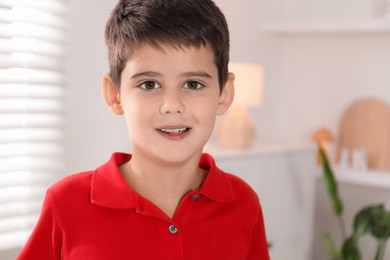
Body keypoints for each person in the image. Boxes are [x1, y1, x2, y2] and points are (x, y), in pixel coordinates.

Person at [18, 0, 270, 259]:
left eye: (193, 84)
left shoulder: (243, 203)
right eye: (150, 84)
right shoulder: (66, 202)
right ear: (115, 94)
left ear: (224, 94)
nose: (172, 106)